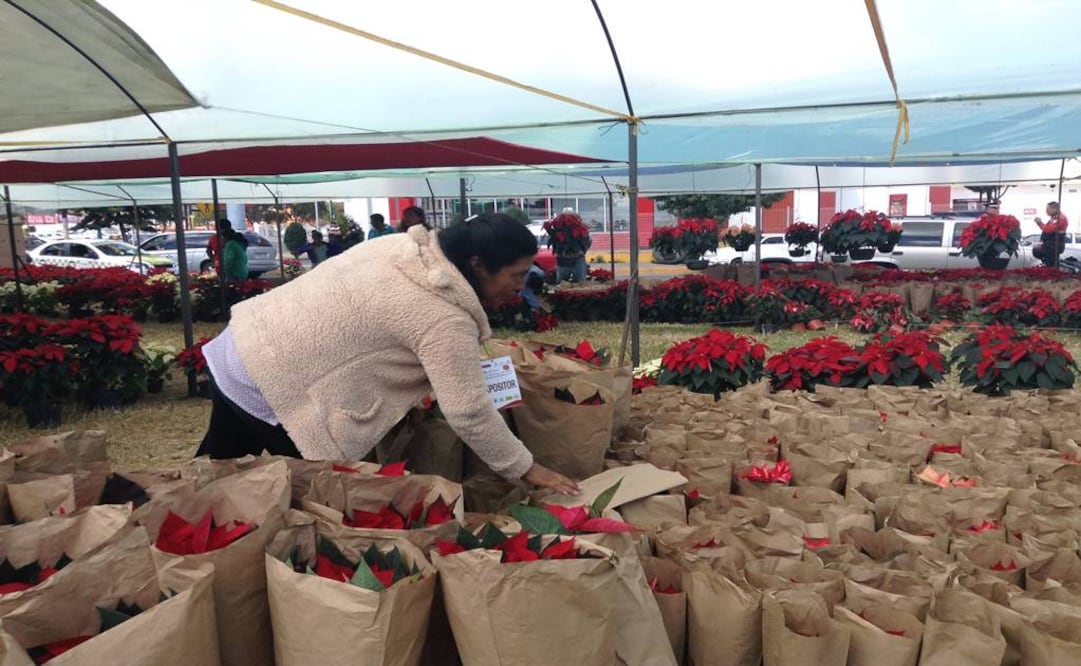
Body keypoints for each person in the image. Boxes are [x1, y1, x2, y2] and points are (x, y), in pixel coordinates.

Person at [195, 213, 579, 495]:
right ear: (477, 266)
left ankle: (162, 517)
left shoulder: (403, 247)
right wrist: (527, 469)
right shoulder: (444, 316)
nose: (519, 286)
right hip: (276, 387)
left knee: (213, 476)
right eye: (514, 275)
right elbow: (469, 411)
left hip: (239, 349)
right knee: (319, 500)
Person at [1035, 201, 1069, 267]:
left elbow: (1049, 229)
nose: (1046, 211)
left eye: (1048, 209)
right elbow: (1047, 229)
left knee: (1051, 265)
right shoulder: (1054, 218)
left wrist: (1039, 223)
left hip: (1054, 246)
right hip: (1049, 245)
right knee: (1037, 251)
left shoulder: (1061, 218)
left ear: (1055, 209)